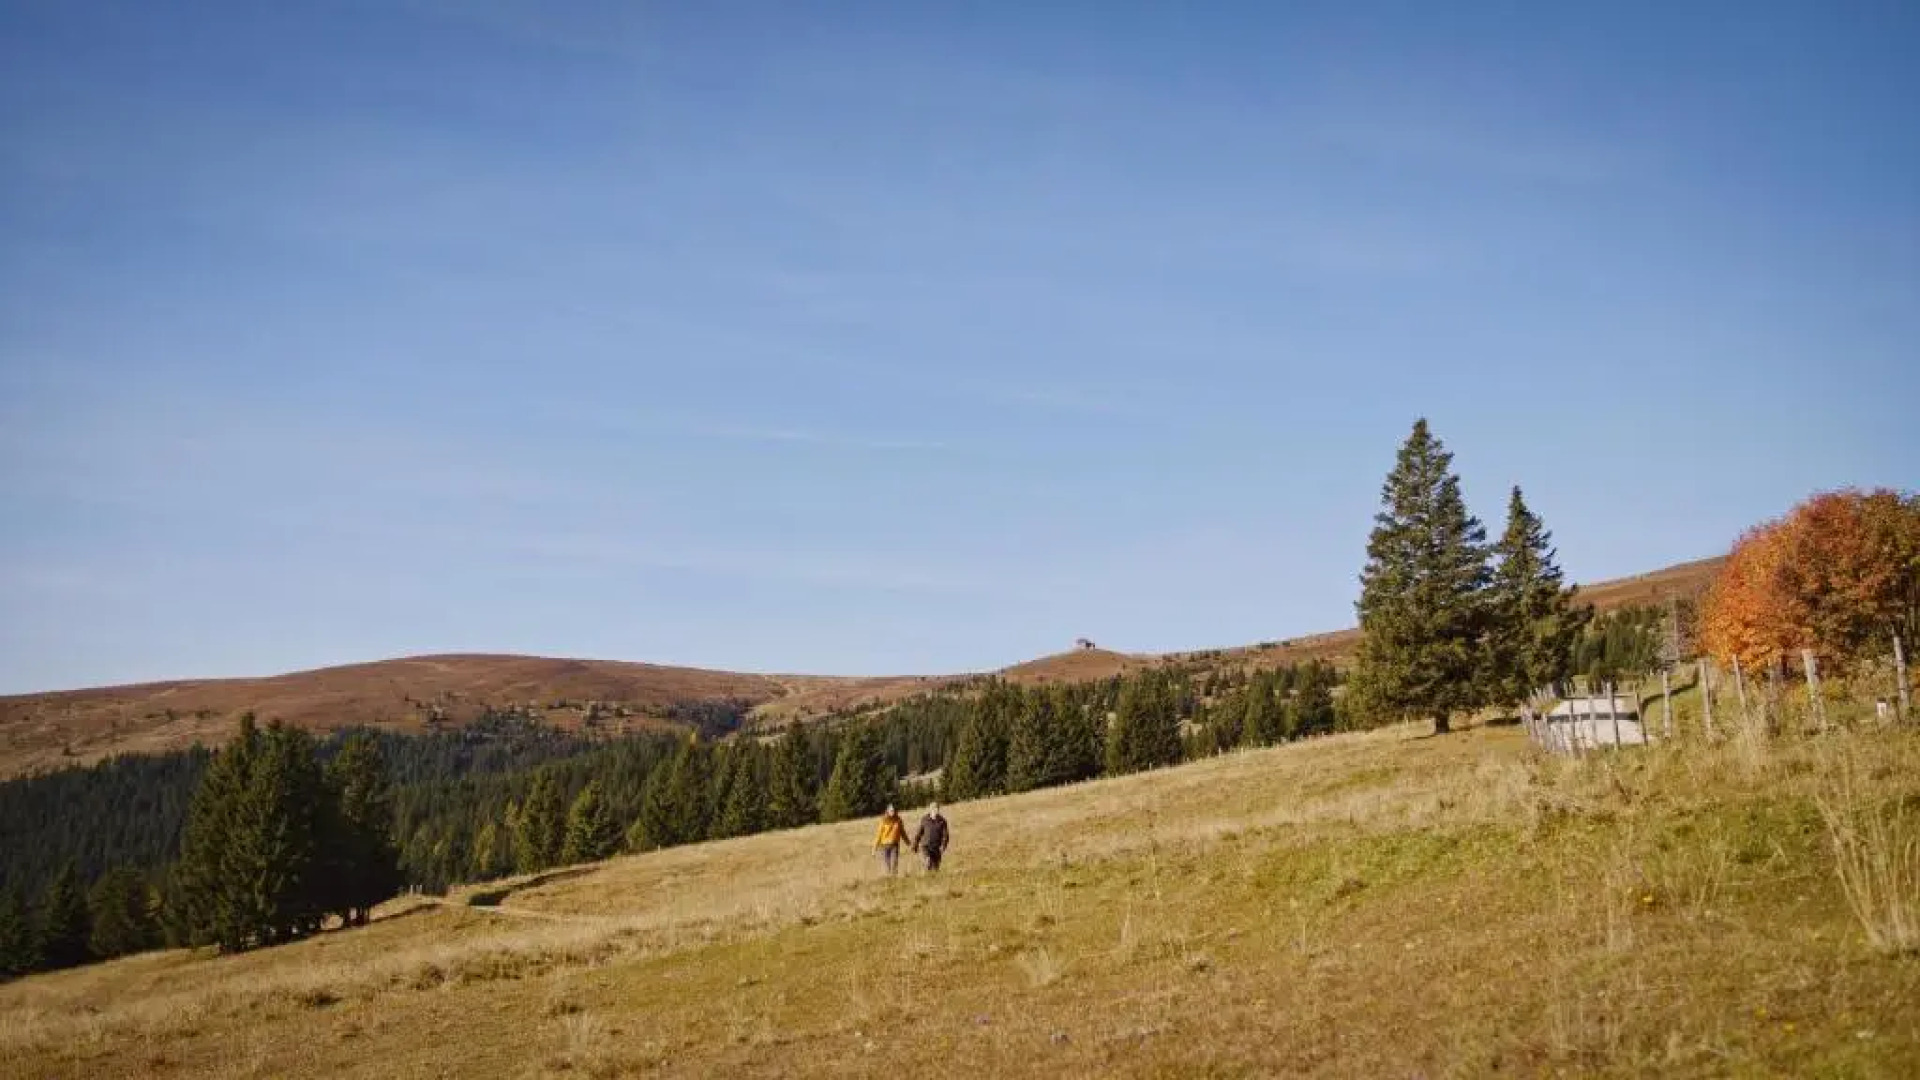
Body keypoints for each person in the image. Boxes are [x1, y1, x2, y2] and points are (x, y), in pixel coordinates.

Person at [912, 802, 949, 873]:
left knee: (936, 868)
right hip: (926, 846)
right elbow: (919, 833)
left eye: (937, 808)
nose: (935, 810)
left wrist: (943, 846)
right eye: (934, 808)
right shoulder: (924, 819)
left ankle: (931, 877)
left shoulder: (942, 821)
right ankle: (926, 874)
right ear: (930, 810)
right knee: (928, 861)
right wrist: (915, 845)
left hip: (936, 847)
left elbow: (945, 836)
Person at [873, 804, 908, 875]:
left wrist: (908, 843)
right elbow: (879, 835)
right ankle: (888, 878)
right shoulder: (883, 821)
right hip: (884, 846)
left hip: (894, 845)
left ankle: (894, 877)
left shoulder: (898, 820)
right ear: (887, 811)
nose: (893, 812)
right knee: (887, 865)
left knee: (894, 863)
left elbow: (902, 833)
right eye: (891, 811)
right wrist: (874, 849)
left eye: (894, 810)